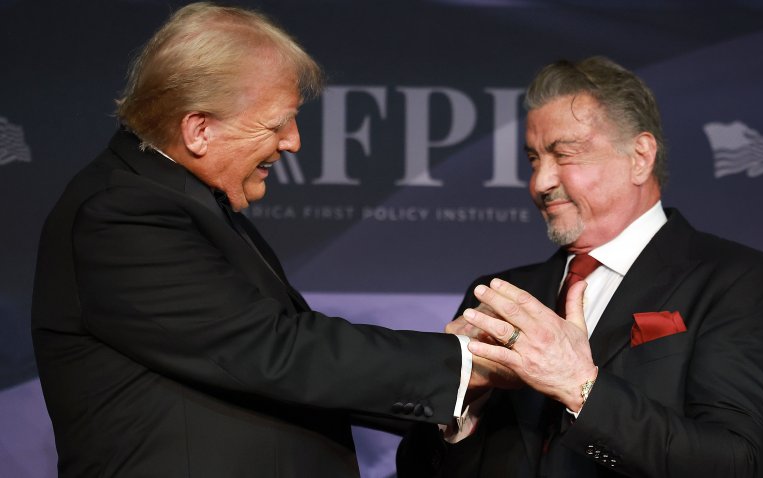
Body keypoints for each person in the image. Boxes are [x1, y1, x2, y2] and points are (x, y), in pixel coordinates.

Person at [30, 4, 500, 477]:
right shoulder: (122, 215)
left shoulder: (183, 201)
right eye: (277, 123)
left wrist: (454, 380)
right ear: (199, 130)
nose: (293, 141)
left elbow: (277, 365)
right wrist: (457, 364)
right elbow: (270, 350)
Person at [397, 57, 763, 477]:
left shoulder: (739, 281)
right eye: (534, 159)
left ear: (640, 156)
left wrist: (580, 388)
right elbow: (417, 470)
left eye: (564, 154)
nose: (540, 182)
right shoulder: (502, 297)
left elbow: (737, 464)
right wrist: (461, 401)